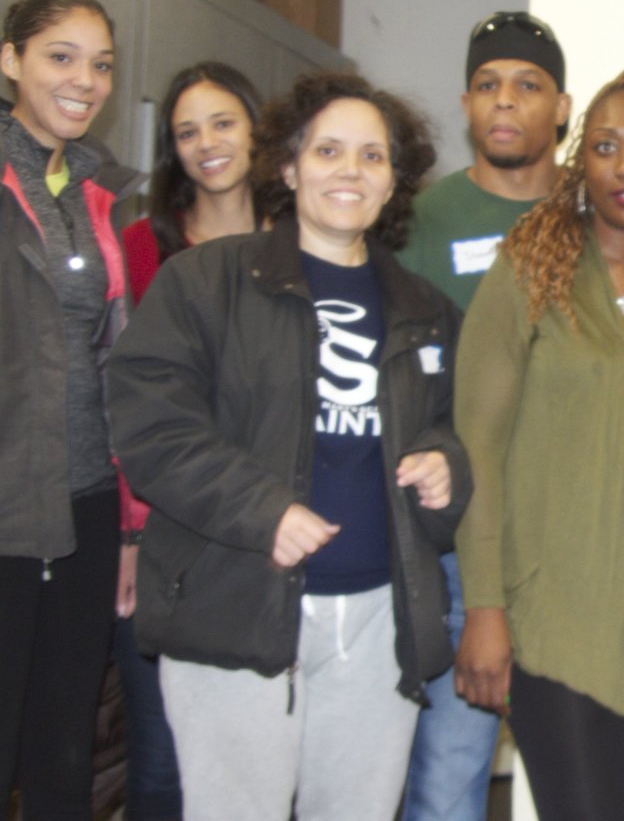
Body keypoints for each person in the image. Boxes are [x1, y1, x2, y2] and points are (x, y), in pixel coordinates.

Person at [105, 71, 471, 821]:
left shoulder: (425, 309)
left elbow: (455, 427)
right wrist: (262, 509)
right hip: (237, 612)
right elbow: (151, 425)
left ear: (394, 181)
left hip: (379, 624)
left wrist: (447, 464)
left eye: (373, 156)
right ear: (288, 166)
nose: (349, 170)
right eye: (329, 149)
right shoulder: (205, 283)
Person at [453, 56, 624, 821]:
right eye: (606, 146)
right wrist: (484, 608)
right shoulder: (529, 275)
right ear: (581, 161)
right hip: (554, 614)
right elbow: (476, 445)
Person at [400, 10, 571, 821]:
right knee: (448, 777)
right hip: (461, 541)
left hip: (575, 541)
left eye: (528, 85)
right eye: (488, 85)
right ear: (467, 104)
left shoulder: (598, 217)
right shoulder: (418, 223)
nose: (506, 102)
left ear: (562, 108)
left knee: (582, 772)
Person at [0, 0, 141, 821]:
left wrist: (127, 526)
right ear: (9, 60)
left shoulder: (98, 197)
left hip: (87, 510)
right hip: (7, 512)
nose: (85, 80)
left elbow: (114, 368)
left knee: (63, 756)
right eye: (60, 56)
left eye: (102, 65)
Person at [114, 60, 264, 821]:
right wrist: (131, 535)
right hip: (169, 538)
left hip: (279, 538)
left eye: (223, 122)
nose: (207, 143)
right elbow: (130, 402)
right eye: (186, 132)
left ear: (256, 128)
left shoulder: (308, 238)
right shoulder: (143, 247)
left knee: (268, 765)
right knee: (164, 763)